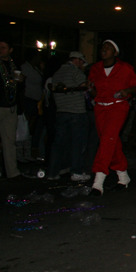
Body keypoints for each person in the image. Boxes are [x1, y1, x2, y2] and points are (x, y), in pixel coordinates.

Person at [88, 40, 136, 195]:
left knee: (107, 140)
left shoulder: (124, 68)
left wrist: (127, 91)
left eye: (108, 48)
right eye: (103, 47)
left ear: (116, 53)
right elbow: (94, 93)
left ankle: (98, 181)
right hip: (100, 108)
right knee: (111, 142)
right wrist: (90, 89)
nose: (104, 49)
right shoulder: (95, 68)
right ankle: (123, 176)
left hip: (118, 107)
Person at [47, 51, 90, 181]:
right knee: (77, 142)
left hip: (61, 111)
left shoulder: (57, 73)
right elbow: (85, 87)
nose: (82, 65)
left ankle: (52, 172)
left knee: (59, 143)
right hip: (76, 112)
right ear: (76, 60)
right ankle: (76, 171)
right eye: (82, 62)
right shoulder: (75, 72)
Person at [0, 40, 22, 180]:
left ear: (10, 50)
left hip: (10, 106)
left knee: (9, 141)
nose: (0, 50)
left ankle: (12, 172)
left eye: (3, 47)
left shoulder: (14, 64)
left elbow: (16, 85)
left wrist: (19, 81)